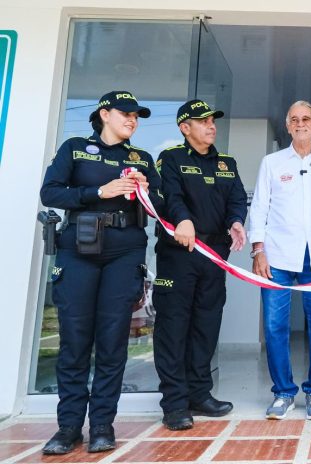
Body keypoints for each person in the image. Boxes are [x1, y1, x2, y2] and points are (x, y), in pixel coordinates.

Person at [39, 91, 162, 454]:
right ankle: (68, 427)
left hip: (124, 252)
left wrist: (146, 191)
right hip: (78, 249)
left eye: (137, 116)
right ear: (104, 114)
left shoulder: (142, 158)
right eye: (126, 113)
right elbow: (51, 193)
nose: (132, 120)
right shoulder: (75, 148)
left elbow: (162, 204)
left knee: (112, 341)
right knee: (75, 340)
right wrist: (99, 191)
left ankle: (103, 426)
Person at [153, 99, 248, 431]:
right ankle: (174, 403)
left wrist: (236, 221)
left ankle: (199, 394)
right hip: (179, 254)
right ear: (185, 127)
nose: (211, 126)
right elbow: (170, 196)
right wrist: (182, 219)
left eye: (212, 121)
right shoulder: (171, 159)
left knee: (206, 326)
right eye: (203, 121)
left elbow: (237, 197)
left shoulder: (226, 163)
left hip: (214, 254)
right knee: (173, 328)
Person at [248, 100, 311, 420]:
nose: (300, 123)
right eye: (294, 119)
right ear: (287, 126)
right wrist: (258, 250)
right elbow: (259, 207)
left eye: (306, 119)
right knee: (275, 325)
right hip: (276, 255)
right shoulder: (272, 162)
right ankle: (283, 392)